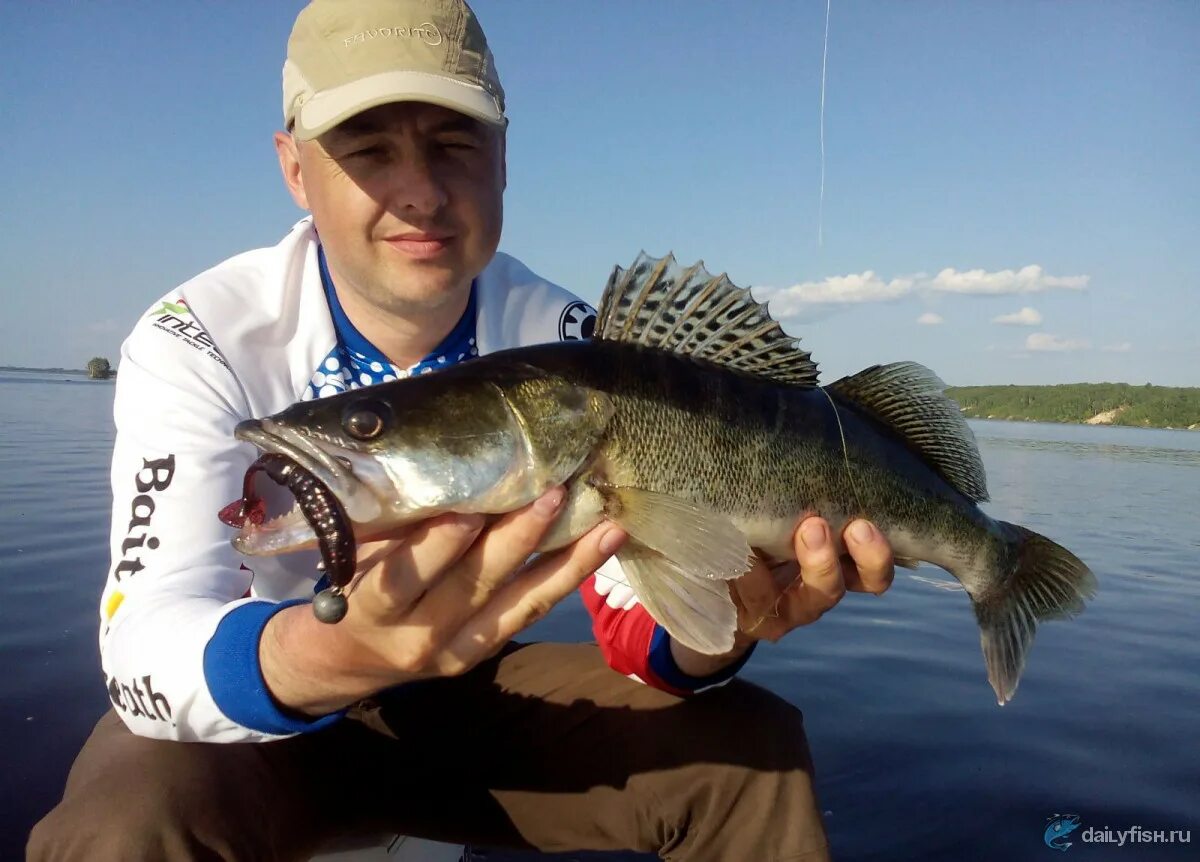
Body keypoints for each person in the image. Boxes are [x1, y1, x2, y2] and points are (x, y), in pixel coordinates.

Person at [28, 1, 895, 859]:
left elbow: (640, 632)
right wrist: (320, 656)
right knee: (122, 825)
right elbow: (144, 638)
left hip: (468, 694)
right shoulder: (202, 336)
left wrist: (730, 624)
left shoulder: (573, 350)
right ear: (295, 169)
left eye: (455, 143)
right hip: (259, 717)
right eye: (368, 149)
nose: (421, 192)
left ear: (503, 158)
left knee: (751, 755)